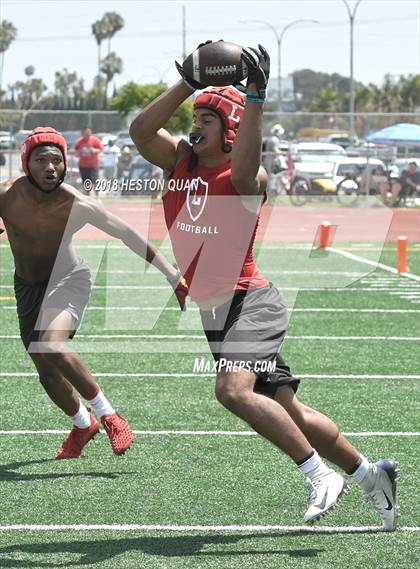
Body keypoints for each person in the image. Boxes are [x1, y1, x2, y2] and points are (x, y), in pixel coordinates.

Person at [129, 42, 399, 530]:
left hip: (250, 301)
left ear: (230, 130)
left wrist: (254, 96)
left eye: (207, 119)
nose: (196, 123)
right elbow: (139, 130)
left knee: (233, 391)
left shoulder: (244, 177)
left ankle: (319, 476)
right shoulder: (179, 162)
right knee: (287, 407)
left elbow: (247, 161)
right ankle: (369, 475)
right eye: (196, 116)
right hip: (217, 310)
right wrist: (188, 85)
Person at [0, 127, 188, 460]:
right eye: (40, 159)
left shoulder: (78, 203)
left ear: (66, 164)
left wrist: (172, 274)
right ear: (26, 163)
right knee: (45, 372)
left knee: (51, 343)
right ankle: (83, 423)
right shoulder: (5, 196)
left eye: (56, 160)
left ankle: (109, 415)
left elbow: (127, 234)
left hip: (68, 278)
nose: (49, 167)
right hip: (27, 287)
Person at [74, 127, 103, 197]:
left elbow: (100, 149)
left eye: (88, 132)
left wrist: (94, 150)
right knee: (86, 183)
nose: (87, 134)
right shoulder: (79, 142)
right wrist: (80, 151)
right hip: (83, 165)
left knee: (95, 181)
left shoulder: (95, 140)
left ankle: (97, 197)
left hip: (93, 165)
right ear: (82, 133)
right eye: (85, 132)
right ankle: (88, 197)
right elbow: (76, 154)